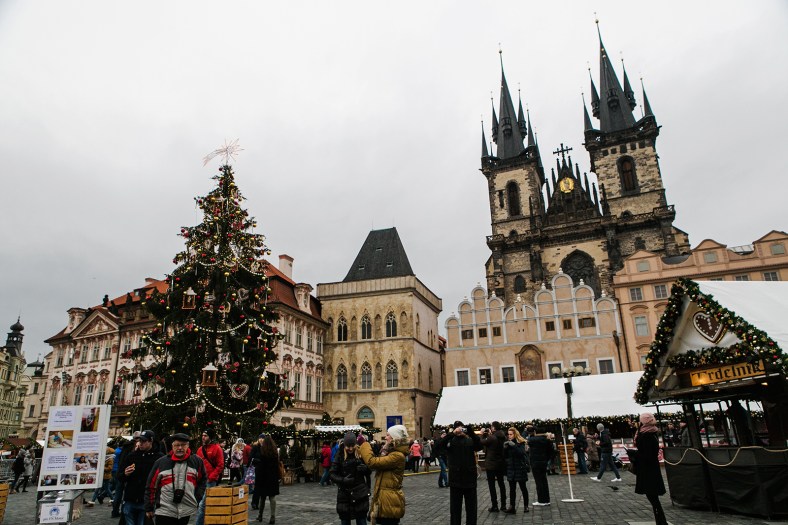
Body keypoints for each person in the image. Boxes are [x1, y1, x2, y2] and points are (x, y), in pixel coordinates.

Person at [145, 433, 207, 525]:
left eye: (183, 445)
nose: (180, 448)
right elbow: (150, 486)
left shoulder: (197, 461)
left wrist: (197, 497)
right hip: (164, 510)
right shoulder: (161, 463)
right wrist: (149, 507)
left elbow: (203, 481)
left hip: (187, 510)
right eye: (177, 445)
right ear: (172, 446)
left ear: (188, 446)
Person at [357, 425, 409, 525]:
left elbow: (372, 462)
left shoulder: (397, 456)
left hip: (389, 502)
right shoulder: (391, 453)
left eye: (388, 435)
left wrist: (364, 444)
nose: (385, 437)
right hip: (384, 500)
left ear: (394, 437)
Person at [440, 421, 482, 525]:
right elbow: (438, 446)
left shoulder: (470, 441)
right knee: (455, 510)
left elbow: (479, 446)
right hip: (456, 480)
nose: (460, 431)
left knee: (471, 509)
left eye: (462, 428)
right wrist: (451, 434)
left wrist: (470, 432)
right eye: (458, 429)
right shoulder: (450, 441)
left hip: (469, 479)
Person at [118, 430, 164, 525]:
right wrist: (125, 474)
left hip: (146, 501)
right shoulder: (132, 456)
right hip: (130, 498)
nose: (141, 443)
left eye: (144, 441)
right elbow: (119, 476)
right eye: (140, 441)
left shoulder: (159, 457)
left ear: (151, 441)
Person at [634, 413, 668, 525]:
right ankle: (660, 520)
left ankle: (661, 521)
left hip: (648, 469)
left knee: (652, 496)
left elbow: (647, 454)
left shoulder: (647, 435)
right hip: (650, 468)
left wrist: (635, 455)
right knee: (652, 496)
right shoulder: (649, 432)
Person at [330, 432, 370, 525]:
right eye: (348, 446)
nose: (350, 449)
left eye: (353, 446)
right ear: (344, 445)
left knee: (361, 521)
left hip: (360, 493)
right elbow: (332, 474)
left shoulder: (361, 454)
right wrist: (343, 480)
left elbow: (369, 471)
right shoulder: (339, 454)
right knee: (345, 521)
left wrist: (365, 469)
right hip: (344, 494)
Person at [195, 429, 225, 525]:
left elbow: (220, 465)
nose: (203, 437)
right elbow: (196, 465)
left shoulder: (217, 448)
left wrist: (211, 477)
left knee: (202, 505)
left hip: (210, 481)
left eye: (205, 435)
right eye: (202, 435)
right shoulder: (200, 449)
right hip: (200, 481)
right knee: (202, 504)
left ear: (210, 437)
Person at [250, 434, 280, 523]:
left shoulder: (263, 452)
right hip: (273, 477)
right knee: (272, 497)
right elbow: (276, 466)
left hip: (263, 477)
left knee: (262, 497)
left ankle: (260, 515)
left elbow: (261, 467)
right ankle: (273, 516)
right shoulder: (275, 452)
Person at [480, 421, 507, 512]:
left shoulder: (492, 437)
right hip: (500, 463)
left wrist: (482, 434)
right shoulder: (503, 436)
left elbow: (482, 442)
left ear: (493, 428)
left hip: (491, 464)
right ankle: (503, 505)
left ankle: (494, 505)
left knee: (492, 486)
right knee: (501, 484)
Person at [502, 427, 529, 514]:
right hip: (511, 468)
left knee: (523, 488)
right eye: (508, 434)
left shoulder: (520, 443)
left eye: (511, 434)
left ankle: (526, 506)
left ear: (515, 434)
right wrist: (505, 448)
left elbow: (521, 453)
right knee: (512, 489)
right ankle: (512, 507)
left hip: (520, 468)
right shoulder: (507, 443)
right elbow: (505, 456)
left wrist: (513, 446)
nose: (509, 436)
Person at [526, 426, 552, 507]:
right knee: (544, 480)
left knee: (538, 482)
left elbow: (528, 442)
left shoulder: (532, 440)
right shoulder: (547, 440)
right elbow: (550, 452)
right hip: (544, 462)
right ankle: (546, 500)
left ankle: (541, 500)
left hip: (535, 463)